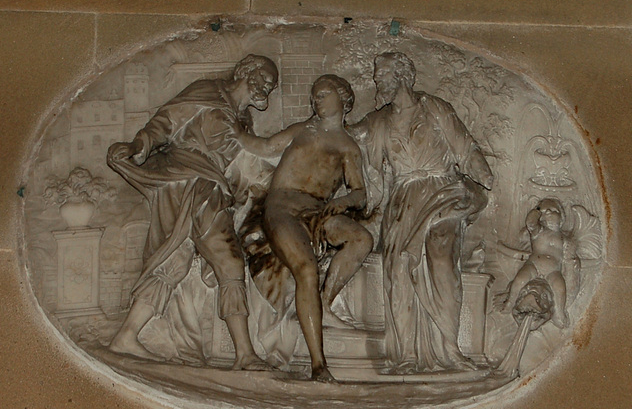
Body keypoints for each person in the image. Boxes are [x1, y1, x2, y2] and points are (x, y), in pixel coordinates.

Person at [106, 54, 279, 370]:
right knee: (228, 260)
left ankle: (126, 335)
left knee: (174, 259)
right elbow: (166, 122)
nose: (268, 86)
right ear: (246, 71)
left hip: (211, 185)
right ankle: (244, 354)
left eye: (272, 84)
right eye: (265, 77)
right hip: (186, 179)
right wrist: (137, 144)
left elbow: (244, 171)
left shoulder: (244, 123)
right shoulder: (208, 91)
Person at [350, 52, 493, 374]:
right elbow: (347, 135)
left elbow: (464, 146)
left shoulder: (434, 107)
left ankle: (449, 348)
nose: (377, 81)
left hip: (443, 191)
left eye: (382, 74)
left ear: (402, 75)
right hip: (404, 200)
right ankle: (407, 355)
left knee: (441, 257)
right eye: (376, 75)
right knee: (399, 269)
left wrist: (484, 175)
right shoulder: (378, 121)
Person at [235, 74, 373, 381]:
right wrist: (233, 129)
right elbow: (266, 145)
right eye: (314, 96)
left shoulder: (348, 147)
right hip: (281, 207)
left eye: (323, 94)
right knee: (306, 270)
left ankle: (324, 300)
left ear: (343, 97)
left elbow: (361, 192)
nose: (317, 100)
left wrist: (346, 201)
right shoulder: (302, 130)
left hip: (319, 211)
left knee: (362, 239)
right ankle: (318, 365)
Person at [499, 198, 570, 328]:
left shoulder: (564, 238)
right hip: (534, 265)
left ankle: (559, 312)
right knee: (519, 280)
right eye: (544, 211)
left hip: (553, 271)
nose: (548, 212)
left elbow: (570, 256)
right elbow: (530, 223)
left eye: (553, 211)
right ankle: (510, 301)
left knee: (560, 287)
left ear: (562, 218)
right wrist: (536, 211)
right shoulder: (539, 232)